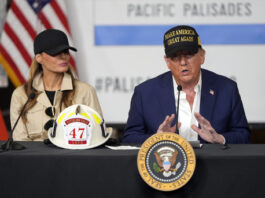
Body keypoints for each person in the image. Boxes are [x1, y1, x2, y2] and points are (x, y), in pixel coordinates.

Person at [123, 25, 250, 144]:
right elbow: (129, 138)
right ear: (167, 62)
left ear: (202, 56)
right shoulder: (145, 93)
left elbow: (244, 135)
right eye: (175, 57)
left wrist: (220, 138)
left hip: (215, 165)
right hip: (166, 165)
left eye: (189, 54)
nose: (183, 62)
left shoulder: (227, 89)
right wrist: (157, 139)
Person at [10, 29, 103, 141]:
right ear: (39, 58)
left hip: (74, 157)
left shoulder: (85, 91)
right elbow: (20, 141)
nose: (63, 57)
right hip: (34, 158)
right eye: (55, 53)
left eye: (66, 52)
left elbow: (98, 134)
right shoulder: (21, 94)